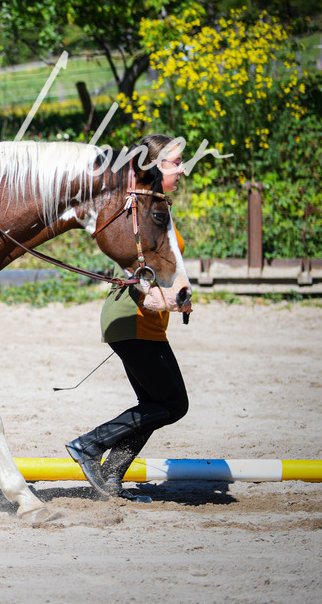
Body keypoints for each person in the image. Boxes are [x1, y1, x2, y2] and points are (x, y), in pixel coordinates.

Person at [66, 134, 190, 501]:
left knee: (155, 406)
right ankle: (90, 445)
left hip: (143, 324)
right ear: (152, 167)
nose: (182, 169)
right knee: (172, 404)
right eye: (174, 162)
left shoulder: (154, 204)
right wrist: (153, 291)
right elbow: (135, 262)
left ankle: (111, 475)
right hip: (132, 318)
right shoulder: (135, 207)